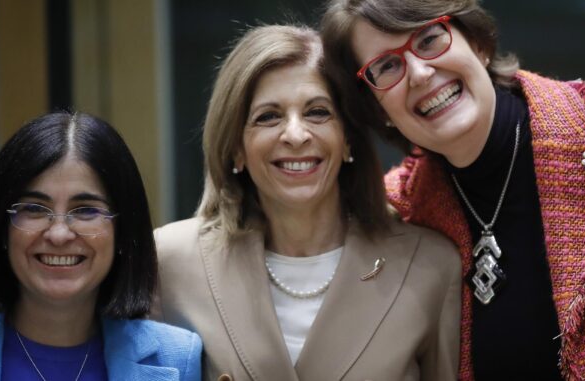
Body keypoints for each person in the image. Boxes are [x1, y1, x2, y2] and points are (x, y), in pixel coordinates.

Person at [320, 1, 585, 380]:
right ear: (376, 107)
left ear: (476, 41)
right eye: (387, 66)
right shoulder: (395, 215)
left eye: (429, 40)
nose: (421, 73)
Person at [151, 24, 461, 380]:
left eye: (318, 112)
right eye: (268, 117)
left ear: (347, 140)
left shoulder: (430, 268)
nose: (296, 135)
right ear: (236, 148)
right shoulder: (169, 263)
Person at [0, 112, 202, 380]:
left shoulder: (178, 358)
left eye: (86, 210)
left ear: (123, 232)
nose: (59, 234)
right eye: (34, 208)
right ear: (1, 229)